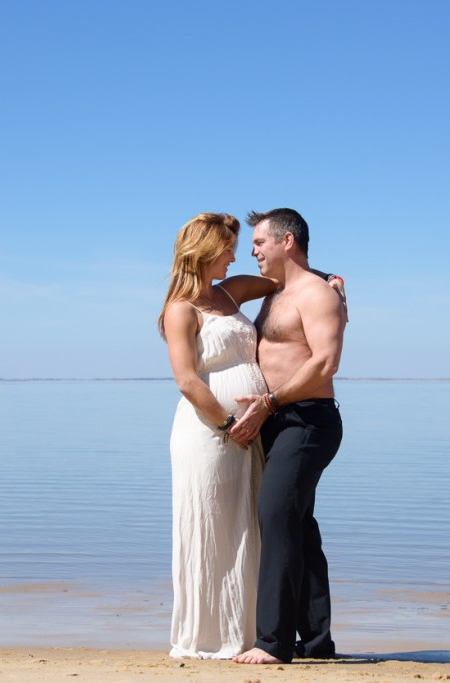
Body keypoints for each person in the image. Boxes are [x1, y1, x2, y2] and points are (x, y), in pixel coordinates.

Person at [159, 212, 346, 660]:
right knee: (248, 523)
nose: (240, 254)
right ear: (205, 250)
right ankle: (253, 636)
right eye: (230, 246)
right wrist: (230, 423)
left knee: (265, 522)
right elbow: (186, 380)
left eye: (254, 243)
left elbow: (297, 283)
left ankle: (270, 636)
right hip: (221, 429)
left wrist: (331, 281)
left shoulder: (234, 291)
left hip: (278, 421)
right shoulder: (181, 308)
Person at [231, 208, 347, 665]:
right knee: (298, 527)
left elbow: (325, 363)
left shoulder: (317, 294)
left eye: (259, 242)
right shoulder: (277, 292)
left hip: (308, 420)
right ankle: (318, 643)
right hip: (277, 420)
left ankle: (272, 643)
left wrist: (271, 403)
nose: (253, 250)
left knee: (275, 517)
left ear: (287, 241)